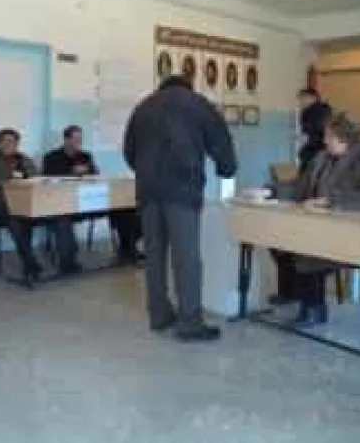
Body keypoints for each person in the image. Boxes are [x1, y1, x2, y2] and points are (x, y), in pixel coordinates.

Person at [123, 75, 237, 342]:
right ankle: (189, 322)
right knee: (186, 257)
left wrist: (146, 172)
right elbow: (220, 140)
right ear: (188, 87)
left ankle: (159, 315)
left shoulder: (143, 107)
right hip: (182, 190)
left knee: (154, 255)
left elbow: (129, 152)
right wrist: (227, 168)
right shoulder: (197, 104)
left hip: (148, 192)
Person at [293, 112, 360, 326]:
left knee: (308, 247)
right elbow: (300, 189)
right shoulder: (321, 159)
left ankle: (314, 307)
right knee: (288, 242)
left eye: (329, 136)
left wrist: (331, 202)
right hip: (326, 227)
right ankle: (302, 300)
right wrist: (271, 192)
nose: (324, 141)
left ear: (344, 137)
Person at [268, 88, 332, 306]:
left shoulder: (322, 156)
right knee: (280, 243)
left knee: (296, 245)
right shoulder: (315, 153)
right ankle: (290, 293)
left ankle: (298, 296)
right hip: (306, 202)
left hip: (316, 214)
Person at [43, 125, 142, 264]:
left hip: (89, 200)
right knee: (62, 221)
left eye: (80, 139)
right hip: (65, 204)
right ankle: (68, 261)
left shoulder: (85, 156)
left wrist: (88, 173)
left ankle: (128, 249)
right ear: (66, 140)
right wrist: (71, 172)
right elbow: (48, 181)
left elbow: (96, 176)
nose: (78, 143)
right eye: (75, 139)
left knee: (128, 211)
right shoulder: (51, 157)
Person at [0, 128, 43, 283]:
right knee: (17, 220)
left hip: (27, 203)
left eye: (13, 142)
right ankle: (30, 262)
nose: (10, 145)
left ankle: (29, 261)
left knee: (26, 218)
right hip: (2, 204)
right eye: (6, 141)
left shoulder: (25, 160)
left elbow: (37, 180)